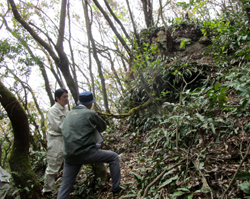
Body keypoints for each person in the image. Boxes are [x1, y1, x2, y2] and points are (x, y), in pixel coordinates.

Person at [57, 91, 123, 199]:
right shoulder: (90, 113)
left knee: (65, 187)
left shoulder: (69, 114)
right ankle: (116, 188)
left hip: (69, 156)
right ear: (90, 103)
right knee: (114, 157)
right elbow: (103, 127)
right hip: (86, 153)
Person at [43, 88, 69, 198]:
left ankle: (66, 187)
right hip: (56, 140)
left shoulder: (66, 109)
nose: (67, 99)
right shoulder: (53, 110)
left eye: (67, 96)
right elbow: (59, 127)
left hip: (66, 139)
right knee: (53, 165)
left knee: (69, 162)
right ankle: (47, 191)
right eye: (64, 97)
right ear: (57, 98)